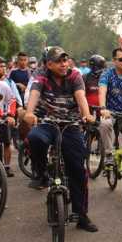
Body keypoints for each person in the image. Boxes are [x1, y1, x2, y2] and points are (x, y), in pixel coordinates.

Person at [23, 46, 98, 232]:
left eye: (66, 60)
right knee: (34, 138)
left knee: (78, 170)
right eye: (59, 61)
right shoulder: (41, 75)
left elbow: (81, 97)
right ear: (49, 64)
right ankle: (41, 174)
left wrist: (87, 114)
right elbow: (34, 93)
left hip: (70, 125)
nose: (64, 64)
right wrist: (30, 113)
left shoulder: (74, 76)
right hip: (47, 123)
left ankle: (81, 215)